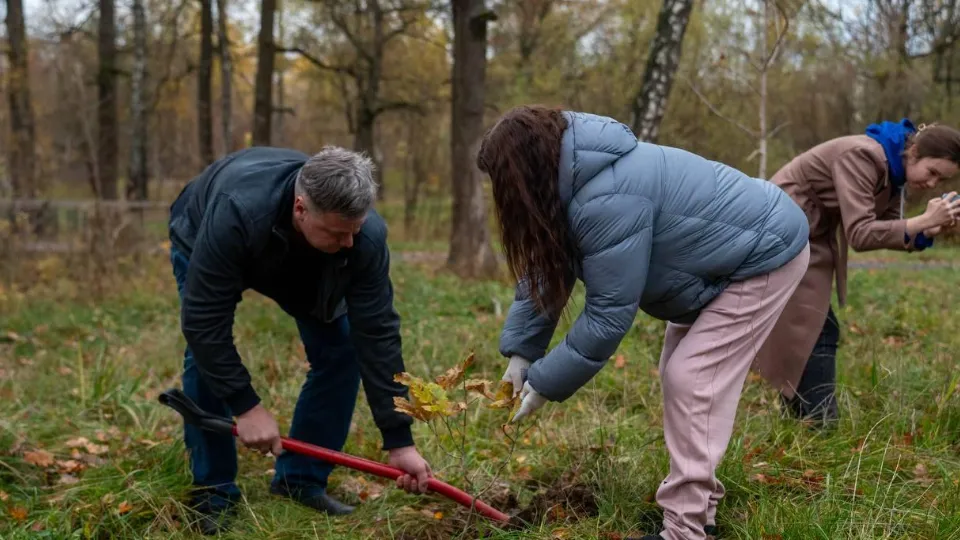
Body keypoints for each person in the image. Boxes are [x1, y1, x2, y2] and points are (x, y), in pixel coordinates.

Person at [478, 105, 810, 540]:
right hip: (725, 259)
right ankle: (697, 513)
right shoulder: (575, 178)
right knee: (686, 377)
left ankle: (685, 530)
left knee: (692, 379)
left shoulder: (606, 196)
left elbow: (608, 313)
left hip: (765, 253)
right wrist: (523, 352)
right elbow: (546, 268)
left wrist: (546, 381)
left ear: (527, 171)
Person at [167, 146, 432, 534]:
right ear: (301, 208)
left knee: (341, 351)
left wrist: (399, 441)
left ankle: (300, 480)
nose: (350, 244)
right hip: (207, 232)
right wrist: (246, 407)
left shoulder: (360, 239)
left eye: (355, 229)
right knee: (205, 358)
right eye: (339, 232)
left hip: (306, 260)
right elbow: (204, 322)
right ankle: (213, 491)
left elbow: (376, 333)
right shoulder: (236, 212)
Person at [757, 120, 960, 426]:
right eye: (932, 172)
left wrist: (929, 228)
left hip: (809, 234)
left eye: (941, 180)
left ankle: (802, 418)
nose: (932, 184)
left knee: (813, 325)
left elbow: (887, 230)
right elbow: (861, 234)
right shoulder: (863, 156)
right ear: (914, 151)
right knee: (813, 326)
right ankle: (818, 424)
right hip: (780, 227)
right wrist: (921, 221)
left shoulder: (895, 171)